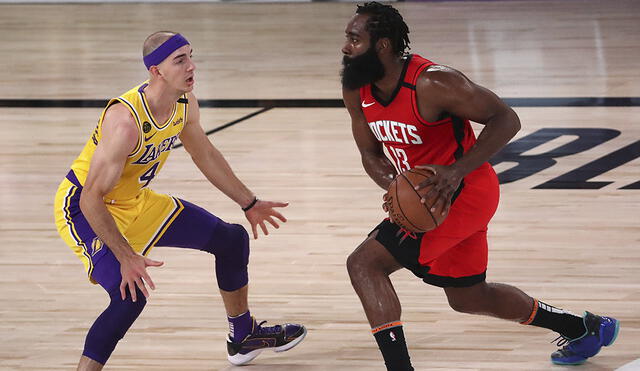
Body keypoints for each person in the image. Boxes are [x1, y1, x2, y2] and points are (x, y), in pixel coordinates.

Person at [340, 3, 619, 370]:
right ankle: (583, 328)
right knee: (468, 297)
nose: (345, 47)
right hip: (429, 198)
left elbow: (507, 118)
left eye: (354, 38)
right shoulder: (357, 89)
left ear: (383, 45)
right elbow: (370, 153)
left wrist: (456, 171)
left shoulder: (433, 81)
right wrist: (396, 186)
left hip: (467, 190)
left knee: (364, 265)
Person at [53, 31, 306, 370]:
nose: (192, 66)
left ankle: (242, 336)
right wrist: (126, 256)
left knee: (231, 240)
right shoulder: (126, 122)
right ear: (155, 70)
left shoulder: (184, 103)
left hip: (134, 202)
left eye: (191, 56)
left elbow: (205, 154)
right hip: (84, 208)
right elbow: (91, 198)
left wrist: (249, 203)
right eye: (180, 60)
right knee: (130, 296)